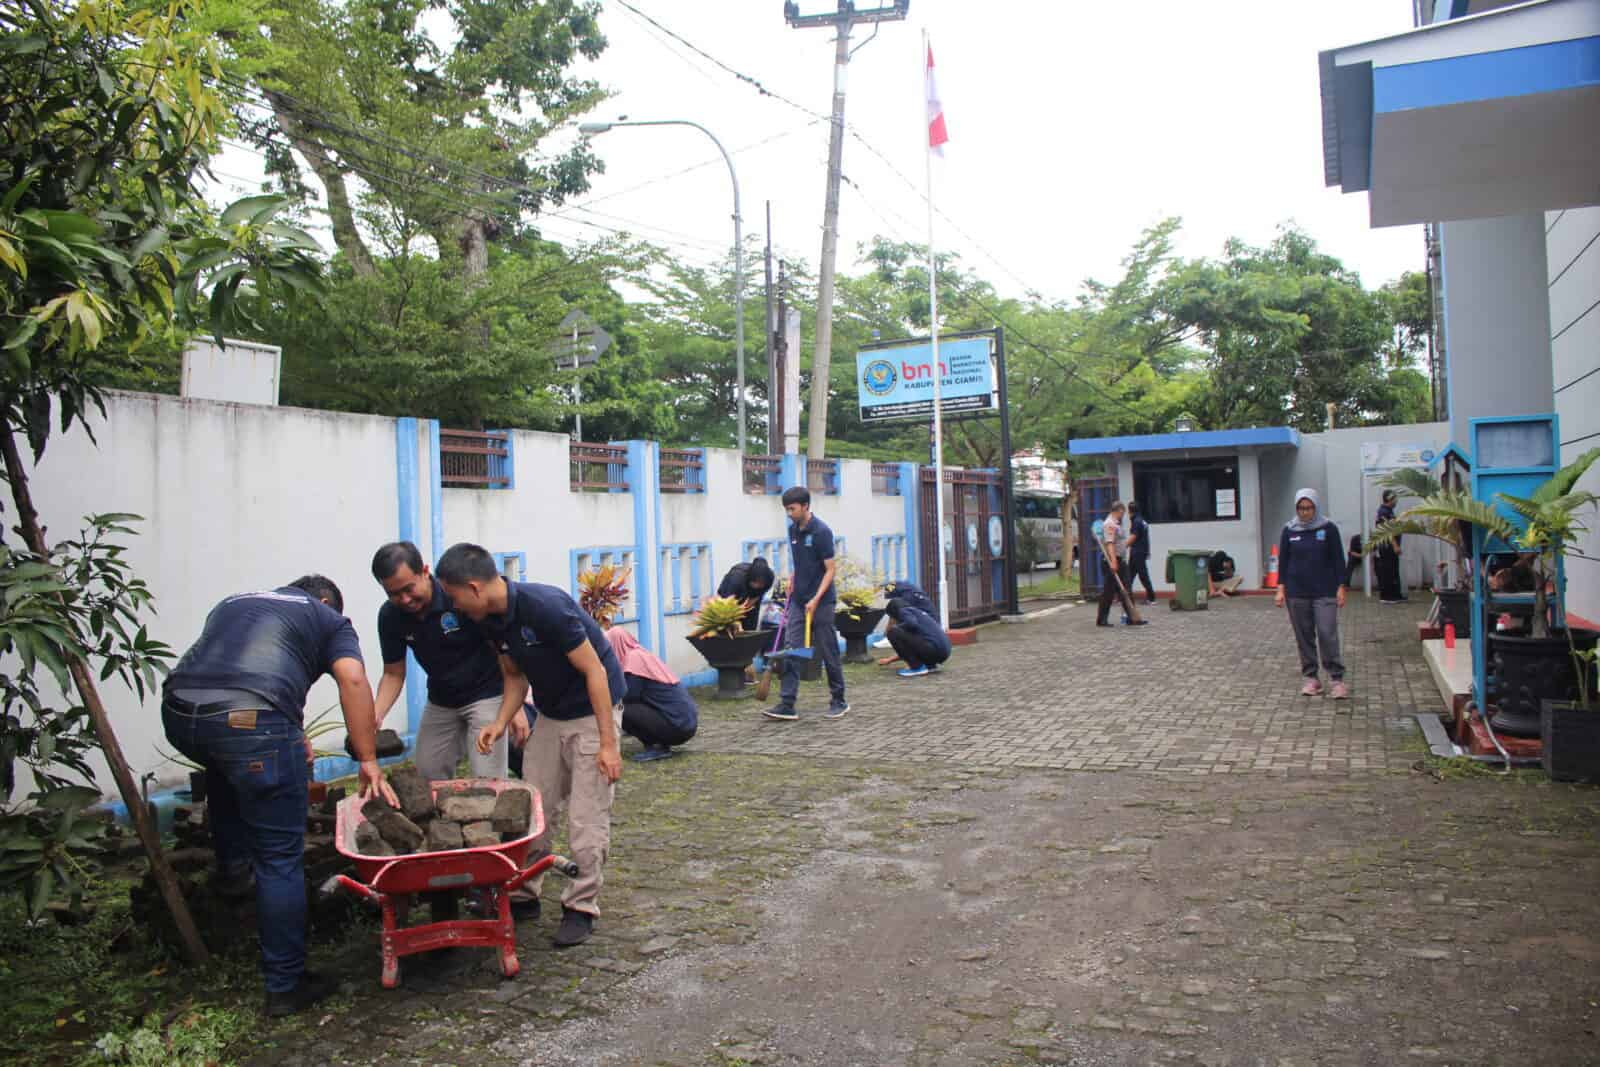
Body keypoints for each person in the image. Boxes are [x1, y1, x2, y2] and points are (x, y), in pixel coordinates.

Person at [161, 576, 398, 1016]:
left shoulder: (236, 598)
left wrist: (283, 731)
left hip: (180, 714)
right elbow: (352, 679)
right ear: (326, 602)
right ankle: (285, 985)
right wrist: (366, 756)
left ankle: (233, 871)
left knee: (223, 765)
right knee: (279, 856)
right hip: (251, 721)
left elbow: (245, 669)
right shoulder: (329, 618)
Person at [440, 543, 625, 948]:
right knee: (531, 807)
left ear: (473, 587)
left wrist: (609, 743)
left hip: (594, 711)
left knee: (586, 817)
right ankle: (523, 892)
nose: (453, 606)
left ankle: (581, 906)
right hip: (553, 713)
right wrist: (500, 723)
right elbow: (514, 677)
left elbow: (595, 671)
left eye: (453, 596)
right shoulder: (490, 620)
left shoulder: (545, 606)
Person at [370, 542, 529, 781]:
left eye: (408, 589)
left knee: (488, 780)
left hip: (487, 693)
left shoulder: (457, 597)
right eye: (393, 594)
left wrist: (513, 708)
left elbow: (501, 650)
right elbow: (393, 673)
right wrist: (376, 714)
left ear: (424, 571)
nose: (404, 599)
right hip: (441, 700)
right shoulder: (391, 617)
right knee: (428, 774)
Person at [763, 486, 849, 721]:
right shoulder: (793, 530)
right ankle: (787, 703)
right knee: (792, 648)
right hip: (799, 600)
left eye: (792, 508)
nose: (789, 513)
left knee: (828, 648)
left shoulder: (821, 532)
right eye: (786, 509)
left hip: (821, 602)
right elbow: (802, 563)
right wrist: (793, 579)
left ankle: (839, 699)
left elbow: (830, 569)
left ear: (805, 506)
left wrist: (816, 598)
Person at [1274, 488, 1350, 699]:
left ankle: (1336, 678)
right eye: (1300, 508)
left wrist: (1341, 586)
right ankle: (1312, 678)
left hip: (1324, 591)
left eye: (1308, 508)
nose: (1304, 512)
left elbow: (1338, 559)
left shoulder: (1328, 528)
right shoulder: (1289, 530)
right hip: (1297, 592)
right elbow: (1284, 562)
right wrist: (1281, 589)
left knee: (1327, 633)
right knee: (1304, 635)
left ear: (1315, 507)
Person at [606, 627, 698, 761]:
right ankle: (656, 743)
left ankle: (657, 747)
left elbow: (628, 695)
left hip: (677, 726)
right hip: (684, 723)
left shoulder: (633, 659)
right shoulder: (641, 654)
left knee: (619, 707)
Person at [1094, 501, 1147, 627]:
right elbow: (1109, 544)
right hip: (1112, 562)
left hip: (1120, 561)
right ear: (1118, 510)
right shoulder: (1109, 524)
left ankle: (1133, 617)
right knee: (1109, 592)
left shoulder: (1116, 524)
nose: (1123, 514)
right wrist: (1113, 561)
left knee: (1126, 590)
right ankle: (1101, 620)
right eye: (1122, 512)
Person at [885, 597, 952, 678]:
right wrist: (890, 660)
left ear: (893, 611)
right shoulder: (917, 613)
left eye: (891, 616)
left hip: (933, 649)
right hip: (942, 653)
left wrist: (897, 627)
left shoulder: (903, 611)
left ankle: (916, 667)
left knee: (892, 632)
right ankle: (931, 666)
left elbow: (912, 624)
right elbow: (911, 647)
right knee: (899, 632)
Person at [715, 556, 775, 629]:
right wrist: (735, 619)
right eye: (755, 583)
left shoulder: (770, 577)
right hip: (728, 600)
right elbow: (726, 601)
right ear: (751, 578)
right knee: (730, 627)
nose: (757, 586)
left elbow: (764, 589)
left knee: (751, 625)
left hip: (751, 597)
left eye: (761, 584)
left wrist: (755, 599)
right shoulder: (736, 578)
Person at [1374, 489, 1407, 604]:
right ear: (1389, 499)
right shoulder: (1383, 512)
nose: (1396, 501)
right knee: (1388, 571)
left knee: (1393, 570)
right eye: (1395, 499)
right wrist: (1395, 545)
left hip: (1391, 547)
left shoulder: (1389, 511)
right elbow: (1386, 531)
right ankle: (1387, 596)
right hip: (1387, 547)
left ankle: (1396, 594)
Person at [1125, 501, 1156, 604]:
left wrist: (1123, 546)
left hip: (1137, 552)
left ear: (1130, 511)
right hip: (1140, 551)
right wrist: (1148, 551)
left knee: (1142, 575)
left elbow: (1134, 537)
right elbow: (1146, 538)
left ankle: (1151, 598)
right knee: (1130, 575)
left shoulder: (1136, 522)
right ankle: (1126, 596)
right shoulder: (1142, 521)